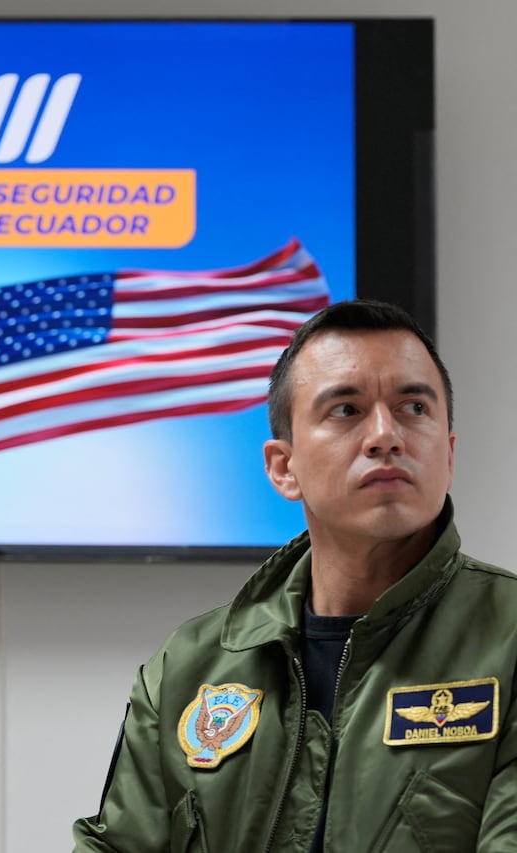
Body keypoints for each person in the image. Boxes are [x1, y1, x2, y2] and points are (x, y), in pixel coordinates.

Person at [72, 299, 517, 851]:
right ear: (285, 467)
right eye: (346, 410)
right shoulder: (188, 668)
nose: (386, 435)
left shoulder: (509, 641)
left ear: (448, 456)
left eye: (413, 408)